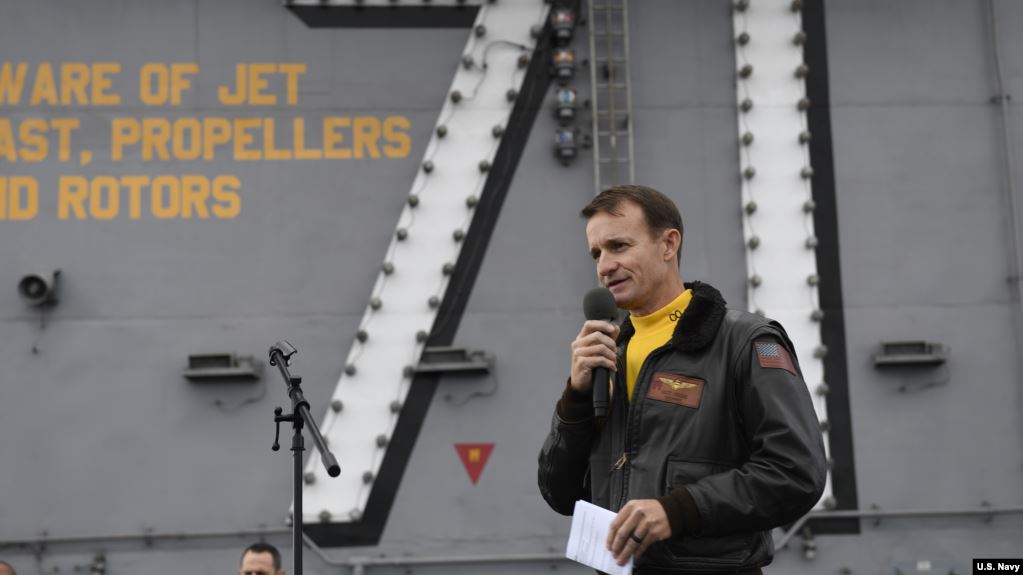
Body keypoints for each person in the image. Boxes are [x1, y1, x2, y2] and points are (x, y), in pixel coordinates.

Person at [537, 185, 827, 574]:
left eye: (618, 246)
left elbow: (796, 472)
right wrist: (576, 397)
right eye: (596, 253)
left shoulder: (745, 342)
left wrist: (678, 511)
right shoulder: (607, 354)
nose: (604, 266)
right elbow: (560, 493)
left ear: (668, 244)